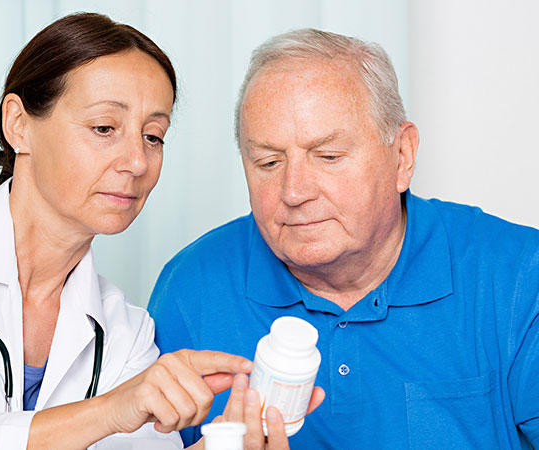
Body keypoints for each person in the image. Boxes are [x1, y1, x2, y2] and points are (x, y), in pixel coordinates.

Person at [148, 28, 539, 449]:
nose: (294, 192)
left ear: (402, 156)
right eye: (268, 161)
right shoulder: (192, 287)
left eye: (328, 157)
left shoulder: (517, 275)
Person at [0, 12, 259, 449]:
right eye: (104, 128)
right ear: (19, 124)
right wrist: (109, 411)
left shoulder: (126, 333)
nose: (138, 162)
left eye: (153, 136)